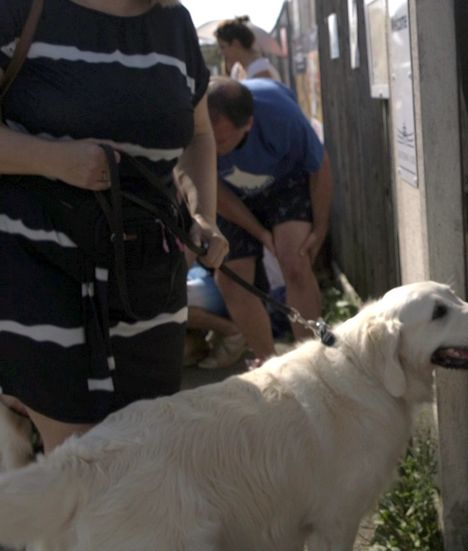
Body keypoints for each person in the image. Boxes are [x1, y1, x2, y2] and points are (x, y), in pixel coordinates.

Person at [0, 0, 228, 453]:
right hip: (44, 280)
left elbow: (199, 135)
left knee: (148, 452)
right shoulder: (18, 11)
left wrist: (204, 217)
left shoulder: (174, 23)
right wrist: (54, 160)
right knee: (86, 464)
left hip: (150, 284)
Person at [207, 77, 332, 363]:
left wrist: (321, 225)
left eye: (222, 140)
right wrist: (261, 234)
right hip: (232, 196)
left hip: (285, 183)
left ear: (248, 124)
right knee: (231, 277)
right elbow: (212, 191)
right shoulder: (193, 122)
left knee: (295, 261)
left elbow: (319, 166)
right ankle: (267, 362)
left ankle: (313, 361)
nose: (212, 149)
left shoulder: (281, 115)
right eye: (207, 140)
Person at [214, 16, 281, 81]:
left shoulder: (261, 71)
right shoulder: (237, 69)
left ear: (236, 44)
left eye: (223, 47)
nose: (221, 52)